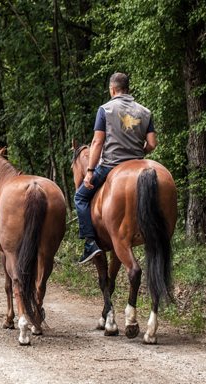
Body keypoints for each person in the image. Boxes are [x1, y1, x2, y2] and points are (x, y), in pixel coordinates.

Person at [75, 72, 157, 264]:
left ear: (112, 90)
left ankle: (89, 244)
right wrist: (138, 154)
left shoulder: (105, 109)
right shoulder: (145, 112)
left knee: (80, 197)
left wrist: (89, 171)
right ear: (128, 89)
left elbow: (96, 143)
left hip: (110, 166)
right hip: (138, 165)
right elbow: (152, 144)